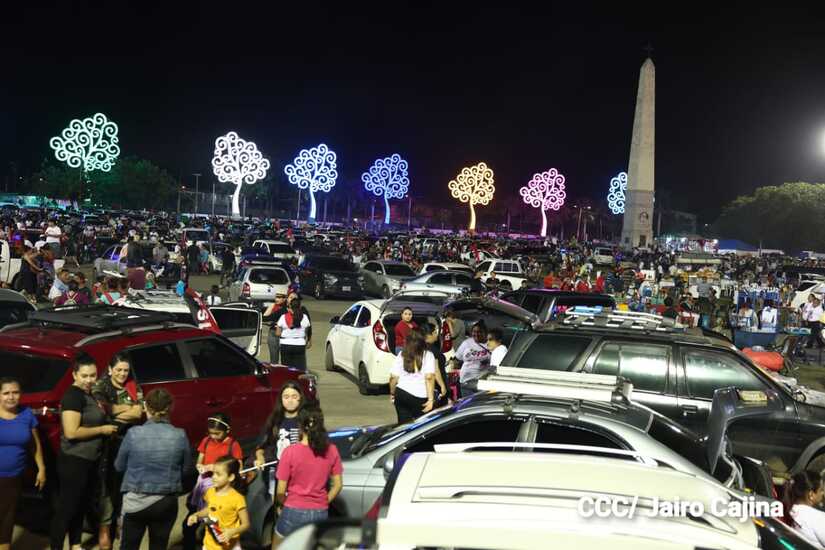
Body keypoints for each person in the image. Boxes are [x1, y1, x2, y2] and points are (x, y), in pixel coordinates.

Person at [50, 354, 119, 550]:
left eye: (93, 375)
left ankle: (76, 544)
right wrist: (102, 430)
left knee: (80, 505)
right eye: (84, 376)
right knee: (66, 510)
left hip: (89, 459)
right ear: (74, 375)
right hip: (74, 461)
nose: (89, 380)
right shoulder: (73, 396)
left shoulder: (88, 394)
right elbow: (71, 432)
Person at [115, 389, 192, 550]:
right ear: (170, 408)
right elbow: (186, 470)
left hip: (135, 500)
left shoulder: (133, 433)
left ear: (146, 407)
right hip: (166, 500)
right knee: (159, 545)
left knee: (128, 546)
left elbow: (119, 466)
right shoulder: (180, 435)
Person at [92, 354, 145, 549]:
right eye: (118, 370)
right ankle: (105, 528)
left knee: (125, 485)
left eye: (126, 370)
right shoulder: (100, 387)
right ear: (109, 370)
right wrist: (126, 409)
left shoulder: (133, 386)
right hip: (108, 446)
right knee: (107, 488)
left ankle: (122, 523)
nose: (123, 374)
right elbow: (102, 411)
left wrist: (116, 414)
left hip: (130, 443)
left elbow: (139, 412)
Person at [274, 408, 343, 544]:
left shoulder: (290, 452)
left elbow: (280, 492)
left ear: (300, 426)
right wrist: (324, 501)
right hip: (320, 511)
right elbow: (338, 485)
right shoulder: (331, 450)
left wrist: (283, 505)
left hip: (293, 510)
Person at [183, 413, 243, 550]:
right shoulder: (206, 441)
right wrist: (200, 466)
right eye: (211, 433)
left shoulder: (233, 445)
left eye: (217, 433)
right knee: (192, 517)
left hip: (220, 487)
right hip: (203, 484)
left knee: (214, 519)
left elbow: (238, 466)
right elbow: (200, 459)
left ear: (227, 430)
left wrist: (214, 468)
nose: (214, 436)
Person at [0, 378, 46, 550]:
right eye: (6, 393)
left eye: (15, 392)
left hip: (14, 477)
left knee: (8, 517)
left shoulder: (26, 414)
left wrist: (41, 468)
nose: (11, 397)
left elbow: (35, 444)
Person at [186, 455, 250, 550]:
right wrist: (197, 515)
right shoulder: (210, 492)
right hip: (209, 545)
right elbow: (210, 509)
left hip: (229, 547)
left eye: (218, 474)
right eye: (213, 473)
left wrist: (231, 532)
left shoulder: (238, 499)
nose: (213, 477)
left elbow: (246, 524)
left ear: (231, 477)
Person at [254, 382, 305, 496]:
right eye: (286, 397)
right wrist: (260, 457)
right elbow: (262, 445)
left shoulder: (306, 420)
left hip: (301, 475)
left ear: (300, 398)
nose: (290, 400)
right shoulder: (275, 420)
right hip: (280, 475)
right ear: (281, 399)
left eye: (294, 396)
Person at [389, 330, 436, 423]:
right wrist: (431, 399)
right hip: (420, 395)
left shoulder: (402, 354)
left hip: (401, 392)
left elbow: (393, 377)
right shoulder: (428, 355)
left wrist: (392, 393)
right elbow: (429, 377)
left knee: (403, 424)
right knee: (421, 425)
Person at [782, 470, 825, 547]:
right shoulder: (817, 518)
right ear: (811, 495)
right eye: (821, 490)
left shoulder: (791, 511)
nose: (823, 493)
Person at [451, 321, 491, 397]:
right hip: (466, 381)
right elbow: (457, 359)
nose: (476, 334)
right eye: (474, 331)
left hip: (482, 383)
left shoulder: (489, 344)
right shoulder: (466, 343)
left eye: (479, 332)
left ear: (485, 333)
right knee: (467, 402)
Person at [276, 297, 311, 371]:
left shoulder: (283, 317)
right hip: (300, 344)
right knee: (300, 369)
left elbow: (278, 333)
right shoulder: (305, 317)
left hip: (285, 344)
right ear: (300, 306)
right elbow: (306, 332)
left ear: (290, 306)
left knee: (286, 369)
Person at [422, 323, 449, 404]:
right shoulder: (432, 350)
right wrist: (442, 386)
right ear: (430, 334)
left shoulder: (420, 347)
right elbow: (436, 370)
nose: (437, 335)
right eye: (435, 332)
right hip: (435, 387)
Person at [263, 293, 288, 363]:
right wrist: (271, 307)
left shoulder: (288, 308)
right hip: (273, 333)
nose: (276, 299)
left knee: (286, 360)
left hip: (285, 334)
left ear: (284, 299)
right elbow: (264, 319)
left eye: (279, 297)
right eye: (276, 297)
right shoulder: (273, 306)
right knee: (273, 360)